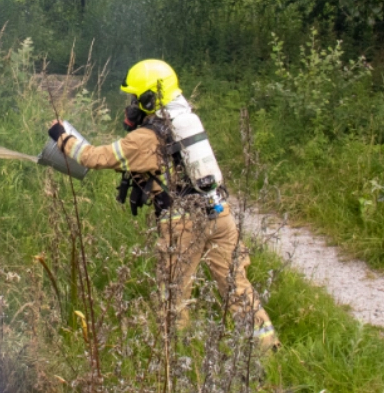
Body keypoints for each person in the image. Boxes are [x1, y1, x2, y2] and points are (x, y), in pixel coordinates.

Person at [47, 59, 279, 351]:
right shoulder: (187, 120)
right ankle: (267, 349)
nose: (131, 105)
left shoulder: (147, 137)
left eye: (135, 98)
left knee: (173, 294)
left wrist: (62, 137)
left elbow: (93, 157)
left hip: (185, 224)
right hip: (221, 214)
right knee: (236, 287)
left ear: (148, 99)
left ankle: (177, 358)